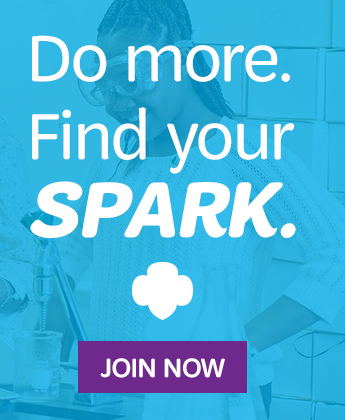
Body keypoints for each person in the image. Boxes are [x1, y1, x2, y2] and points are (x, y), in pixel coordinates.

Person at [58, 0, 345, 417]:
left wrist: (232, 346)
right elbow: (67, 260)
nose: (118, 104)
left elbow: (336, 254)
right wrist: (42, 366)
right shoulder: (114, 162)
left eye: (132, 80)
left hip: (210, 395)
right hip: (111, 391)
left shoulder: (248, 153)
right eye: (106, 87)